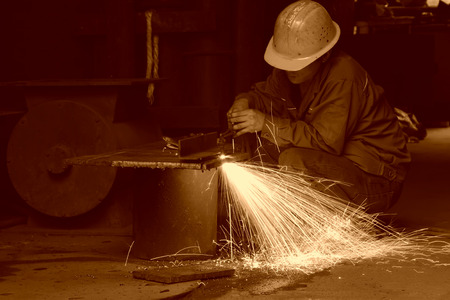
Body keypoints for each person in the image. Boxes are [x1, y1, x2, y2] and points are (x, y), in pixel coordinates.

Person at [227, 0, 411, 214]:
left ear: (324, 55)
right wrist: (244, 102)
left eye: (297, 63)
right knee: (264, 148)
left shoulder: (344, 77)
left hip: (377, 180)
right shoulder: (287, 71)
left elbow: (325, 142)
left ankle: (348, 226)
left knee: (293, 159)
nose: (289, 69)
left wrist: (264, 123)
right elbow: (264, 96)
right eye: (285, 62)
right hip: (341, 166)